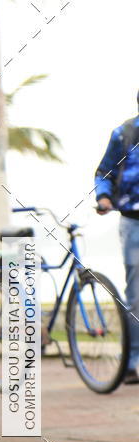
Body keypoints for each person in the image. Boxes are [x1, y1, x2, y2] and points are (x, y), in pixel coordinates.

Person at [95, 93, 139, 384]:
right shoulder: (124, 133)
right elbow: (104, 173)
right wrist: (104, 197)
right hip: (133, 222)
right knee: (136, 295)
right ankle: (134, 361)